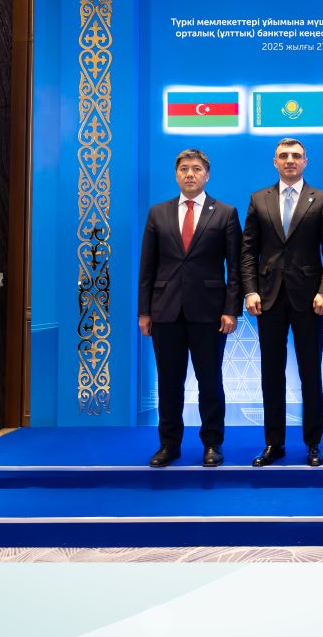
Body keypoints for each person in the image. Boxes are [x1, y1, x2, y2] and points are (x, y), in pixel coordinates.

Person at [240, 138, 323, 467]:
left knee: (310, 372)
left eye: (296, 156)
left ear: (305, 161)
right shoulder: (258, 199)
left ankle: (313, 443)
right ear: (275, 162)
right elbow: (247, 251)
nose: (289, 160)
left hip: (310, 299)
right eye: (283, 156)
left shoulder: (322, 199)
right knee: (271, 373)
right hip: (267, 298)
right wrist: (250, 290)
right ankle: (274, 443)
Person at [138, 148, 241, 468]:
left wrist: (231, 309)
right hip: (165, 311)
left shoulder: (225, 213)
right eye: (184, 168)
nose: (190, 174)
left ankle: (212, 444)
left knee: (210, 381)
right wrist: (144, 311)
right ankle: (169, 445)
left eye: (196, 169)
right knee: (169, 382)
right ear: (176, 174)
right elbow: (147, 266)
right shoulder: (158, 213)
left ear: (207, 175)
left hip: (210, 312)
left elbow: (235, 267)